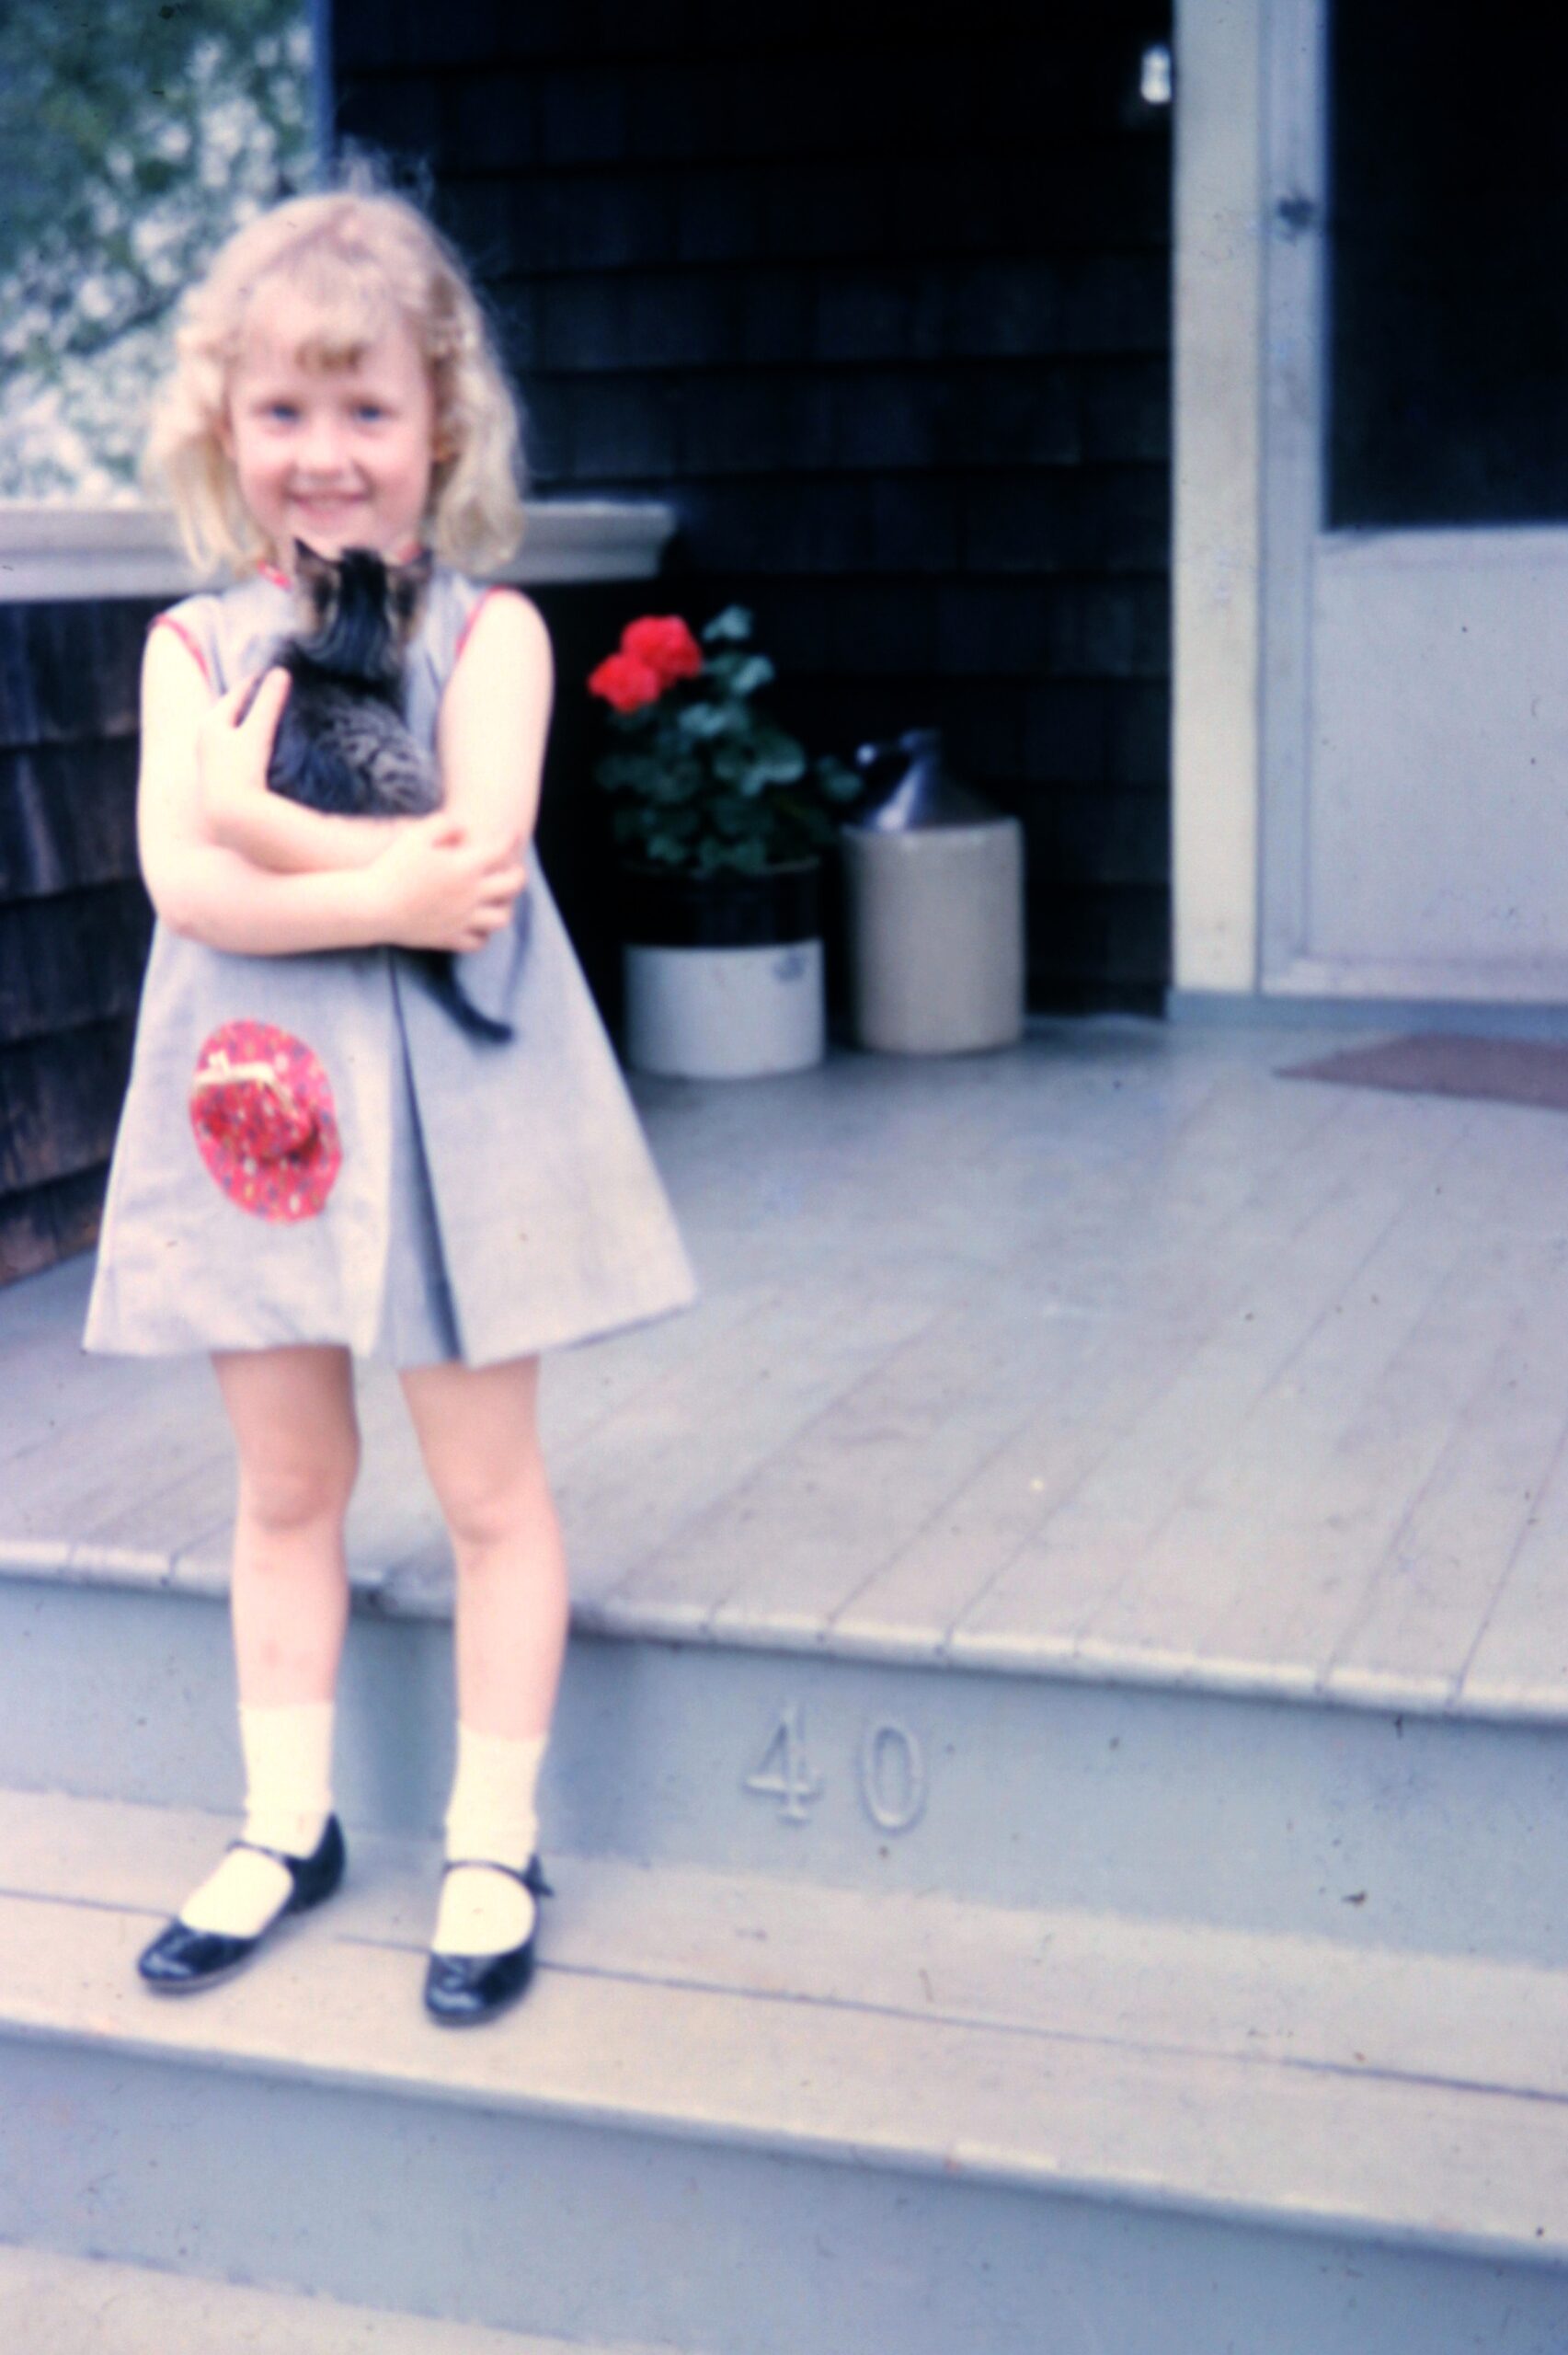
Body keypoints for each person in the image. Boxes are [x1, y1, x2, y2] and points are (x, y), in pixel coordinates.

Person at [84, 178, 696, 2026]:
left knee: (488, 1487)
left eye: (368, 408)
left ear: (441, 424)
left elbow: (474, 862)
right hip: (260, 1109)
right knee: (289, 1483)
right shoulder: (192, 645)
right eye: (284, 408)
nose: (326, 453)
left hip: (456, 1115)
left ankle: (493, 1842)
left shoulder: (488, 637)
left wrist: (254, 811)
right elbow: (190, 888)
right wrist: (353, 875)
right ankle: (289, 1823)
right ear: (225, 425)